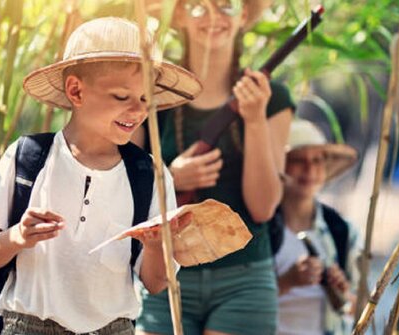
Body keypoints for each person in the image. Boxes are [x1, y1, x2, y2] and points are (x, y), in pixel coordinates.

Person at [0, 17, 201, 334]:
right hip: (27, 326)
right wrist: (17, 237)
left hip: (112, 328)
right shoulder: (27, 159)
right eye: (122, 97)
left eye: (146, 99)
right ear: (76, 91)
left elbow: (156, 283)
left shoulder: (150, 176)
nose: (138, 111)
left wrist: (158, 245)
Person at [134, 1, 294, 334]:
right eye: (197, 5)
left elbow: (263, 208)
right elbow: (124, 189)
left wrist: (254, 120)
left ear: (245, 15)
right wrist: (170, 179)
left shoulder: (273, 98)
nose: (213, 16)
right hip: (163, 276)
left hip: (245, 280)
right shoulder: (148, 92)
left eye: (227, 5)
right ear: (178, 14)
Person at [274, 118, 361, 335]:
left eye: (317, 160)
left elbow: (361, 307)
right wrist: (288, 281)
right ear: (280, 165)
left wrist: (342, 292)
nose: (309, 169)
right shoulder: (260, 228)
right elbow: (241, 301)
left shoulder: (342, 231)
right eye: (298, 160)